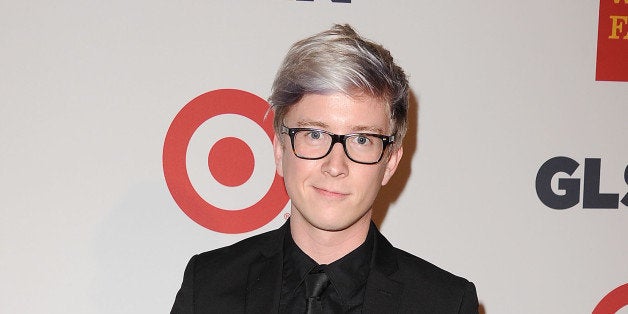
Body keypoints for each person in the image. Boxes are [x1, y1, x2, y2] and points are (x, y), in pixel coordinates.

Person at [171, 24, 479, 313]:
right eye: (315, 135)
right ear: (280, 150)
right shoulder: (208, 286)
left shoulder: (445, 303)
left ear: (390, 163)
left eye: (362, 139)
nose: (335, 166)